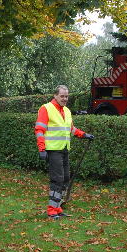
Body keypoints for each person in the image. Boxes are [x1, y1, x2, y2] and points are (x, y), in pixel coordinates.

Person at [35, 85, 94, 220]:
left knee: (65, 178)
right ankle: (51, 211)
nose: (65, 99)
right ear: (55, 95)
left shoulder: (67, 111)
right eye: (62, 96)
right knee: (57, 180)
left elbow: (71, 129)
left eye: (66, 96)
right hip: (53, 150)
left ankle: (57, 207)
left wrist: (84, 135)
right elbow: (39, 130)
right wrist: (42, 149)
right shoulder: (46, 109)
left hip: (64, 149)